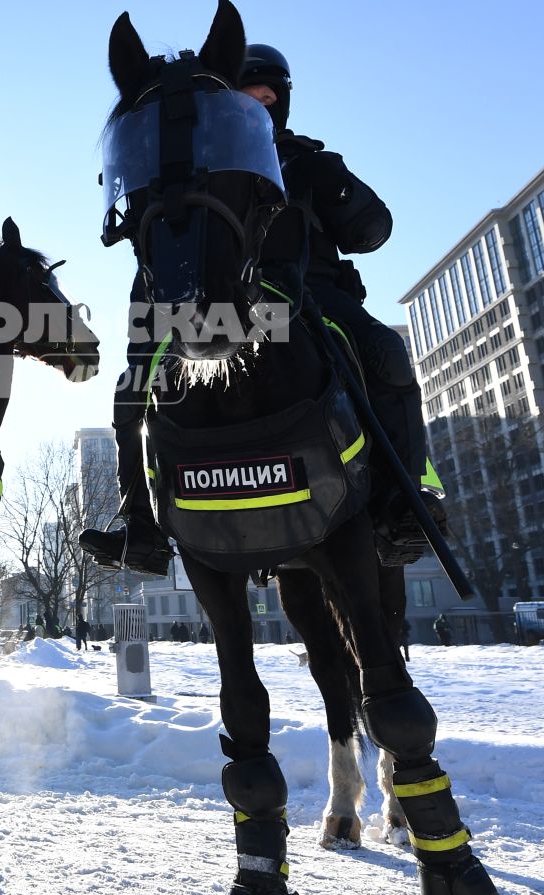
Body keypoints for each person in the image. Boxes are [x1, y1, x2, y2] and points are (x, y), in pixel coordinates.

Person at [80, 43, 439, 573]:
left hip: (313, 294)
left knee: (386, 350)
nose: (261, 105)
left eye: (270, 97)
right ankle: (141, 523)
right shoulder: (198, 164)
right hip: (222, 296)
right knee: (133, 384)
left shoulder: (306, 158)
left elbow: (371, 231)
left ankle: (407, 497)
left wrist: (332, 182)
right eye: (249, 96)